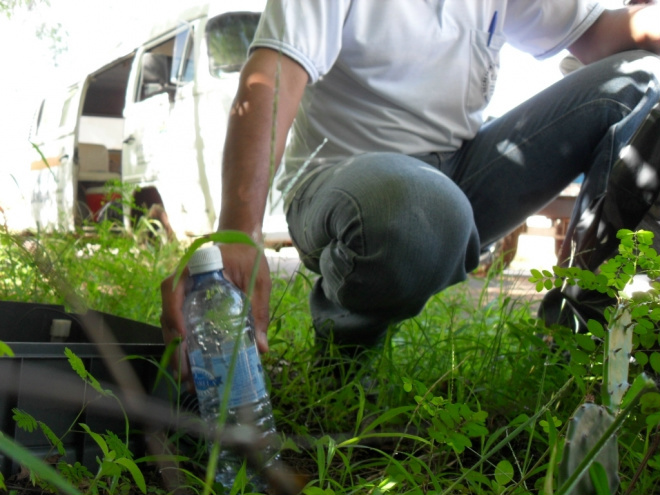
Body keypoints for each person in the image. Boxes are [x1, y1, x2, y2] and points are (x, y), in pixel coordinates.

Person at [161, 0, 660, 384]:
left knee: (640, 77)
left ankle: (577, 350)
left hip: (462, 172)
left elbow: (605, 36)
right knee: (416, 207)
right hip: (347, 182)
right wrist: (238, 233)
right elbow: (272, 79)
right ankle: (347, 349)